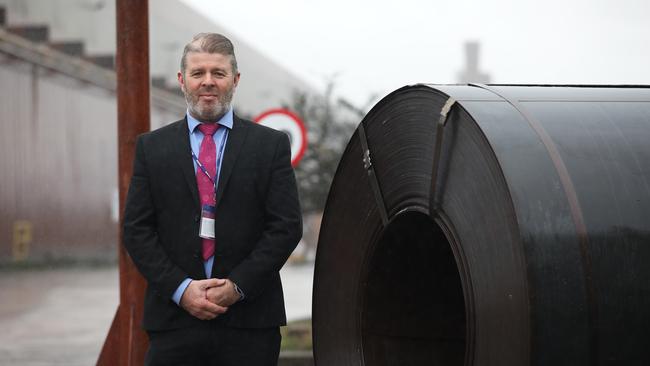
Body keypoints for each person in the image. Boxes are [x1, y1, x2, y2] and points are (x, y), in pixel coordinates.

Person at [123, 32, 302, 366]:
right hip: (173, 322)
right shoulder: (151, 148)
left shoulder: (270, 146)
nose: (208, 82)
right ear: (182, 80)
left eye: (218, 73)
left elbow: (286, 227)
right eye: (198, 73)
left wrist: (236, 287)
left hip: (250, 324)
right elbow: (137, 230)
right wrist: (181, 289)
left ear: (234, 80)